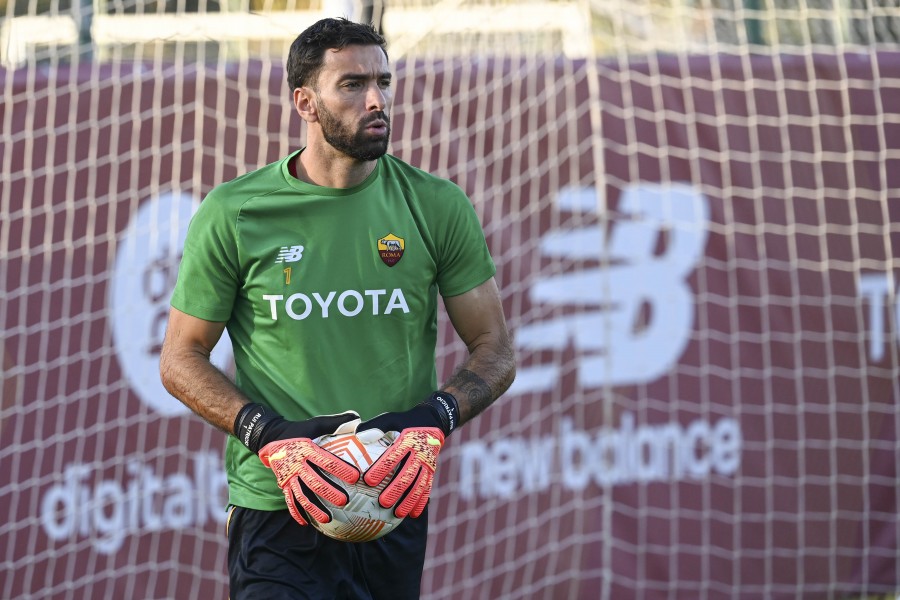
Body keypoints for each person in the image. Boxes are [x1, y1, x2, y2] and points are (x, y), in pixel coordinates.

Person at [158, 17, 516, 600]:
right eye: (352, 84)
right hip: (280, 506)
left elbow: (496, 348)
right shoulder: (237, 213)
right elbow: (180, 359)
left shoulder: (437, 205)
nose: (376, 99)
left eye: (383, 81)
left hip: (389, 501)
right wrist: (271, 437)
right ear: (305, 101)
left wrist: (435, 420)